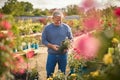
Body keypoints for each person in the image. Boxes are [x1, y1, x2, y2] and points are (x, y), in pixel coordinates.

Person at [41, 10, 73, 78]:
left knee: (62, 74)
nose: (59, 22)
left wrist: (67, 47)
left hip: (63, 55)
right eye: (57, 20)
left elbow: (71, 39)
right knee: (49, 74)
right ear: (52, 18)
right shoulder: (47, 28)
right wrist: (51, 46)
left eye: (60, 20)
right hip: (52, 55)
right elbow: (43, 40)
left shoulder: (66, 27)